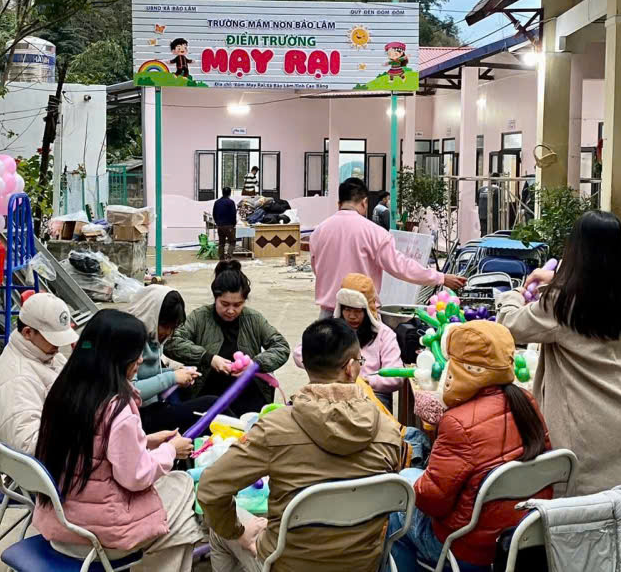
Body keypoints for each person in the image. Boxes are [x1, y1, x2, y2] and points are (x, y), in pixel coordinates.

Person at [497, 210, 621, 558]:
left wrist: (516, 291)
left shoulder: (561, 303)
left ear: (575, 249)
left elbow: (508, 324)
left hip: (597, 432)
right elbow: (590, 286)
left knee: (592, 536)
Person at [197, 318, 407, 572]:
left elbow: (210, 489)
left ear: (305, 365)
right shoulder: (389, 431)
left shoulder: (274, 428)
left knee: (221, 531)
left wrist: (239, 532)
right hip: (363, 565)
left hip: (286, 564)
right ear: (351, 368)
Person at [32, 309, 198, 570]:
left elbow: (97, 450)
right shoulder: (117, 407)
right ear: (117, 357)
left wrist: (146, 441)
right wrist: (170, 451)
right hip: (99, 540)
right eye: (136, 353)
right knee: (186, 496)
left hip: (60, 525)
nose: (141, 360)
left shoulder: (64, 390)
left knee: (178, 514)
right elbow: (136, 477)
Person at [389, 320, 553, 572]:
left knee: (399, 499)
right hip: (522, 535)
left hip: (469, 549)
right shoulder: (526, 401)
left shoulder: (457, 422)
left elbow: (433, 502)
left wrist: (413, 483)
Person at [310, 178, 464, 319]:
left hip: (327, 315)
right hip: (362, 315)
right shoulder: (374, 233)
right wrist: (440, 278)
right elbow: (401, 267)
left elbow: (318, 269)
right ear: (364, 202)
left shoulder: (318, 232)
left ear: (339, 204)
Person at [164, 261, 290, 415]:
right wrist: (208, 358)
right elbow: (172, 343)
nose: (231, 310)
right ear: (215, 298)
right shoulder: (199, 317)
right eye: (224, 304)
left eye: (237, 305)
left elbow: (281, 347)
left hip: (249, 393)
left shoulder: (253, 319)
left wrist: (255, 365)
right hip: (207, 395)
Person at [0, 292, 76, 453]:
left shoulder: (46, 354)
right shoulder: (16, 381)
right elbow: (29, 446)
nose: (58, 347)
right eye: (52, 339)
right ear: (28, 333)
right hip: (48, 462)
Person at [292, 274, 403, 408]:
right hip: (330, 391)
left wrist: (364, 381)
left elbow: (396, 376)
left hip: (371, 393)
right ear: (340, 308)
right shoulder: (330, 329)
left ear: (368, 310)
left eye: (358, 311)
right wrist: (330, 372)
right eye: (347, 309)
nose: (351, 316)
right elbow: (299, 353)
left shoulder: (384, 334)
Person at [128, 284, 221, 434]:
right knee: (210, 405)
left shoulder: (153, 340)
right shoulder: (130, 340)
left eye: (173, 327)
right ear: (150, 315)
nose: (168, 333)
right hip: (136, 417)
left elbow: (148, 374)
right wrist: (172, 377)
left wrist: (176, 373)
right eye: (165, 325)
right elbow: (130, 392)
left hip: (153, 407)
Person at [213, 186, 238, 261]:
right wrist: (233, 224)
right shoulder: (231, 202)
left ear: (222, 192)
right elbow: (233, 214)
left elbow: (214, 214)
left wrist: (217, 222)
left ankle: (221, 259)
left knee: (221, 243)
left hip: (220, 225)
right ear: (230, 193)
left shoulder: (217, 202)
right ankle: (228, 257)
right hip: (229, 225)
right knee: (232, 241)